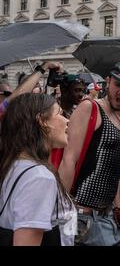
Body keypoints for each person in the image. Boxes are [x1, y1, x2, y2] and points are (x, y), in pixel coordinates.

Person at [58, 61, 120, 246]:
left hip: (110, 216)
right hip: (83, 216)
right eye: (118, 84)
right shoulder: (90, 108)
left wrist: (119, 209)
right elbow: (69, 159)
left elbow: (114, 169)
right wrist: (63, 212)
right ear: (107, 82)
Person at [0, 94, 75, 246]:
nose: (67, 120)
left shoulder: (14, 164)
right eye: (59, 114)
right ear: (42, 121)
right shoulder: (39, 178)